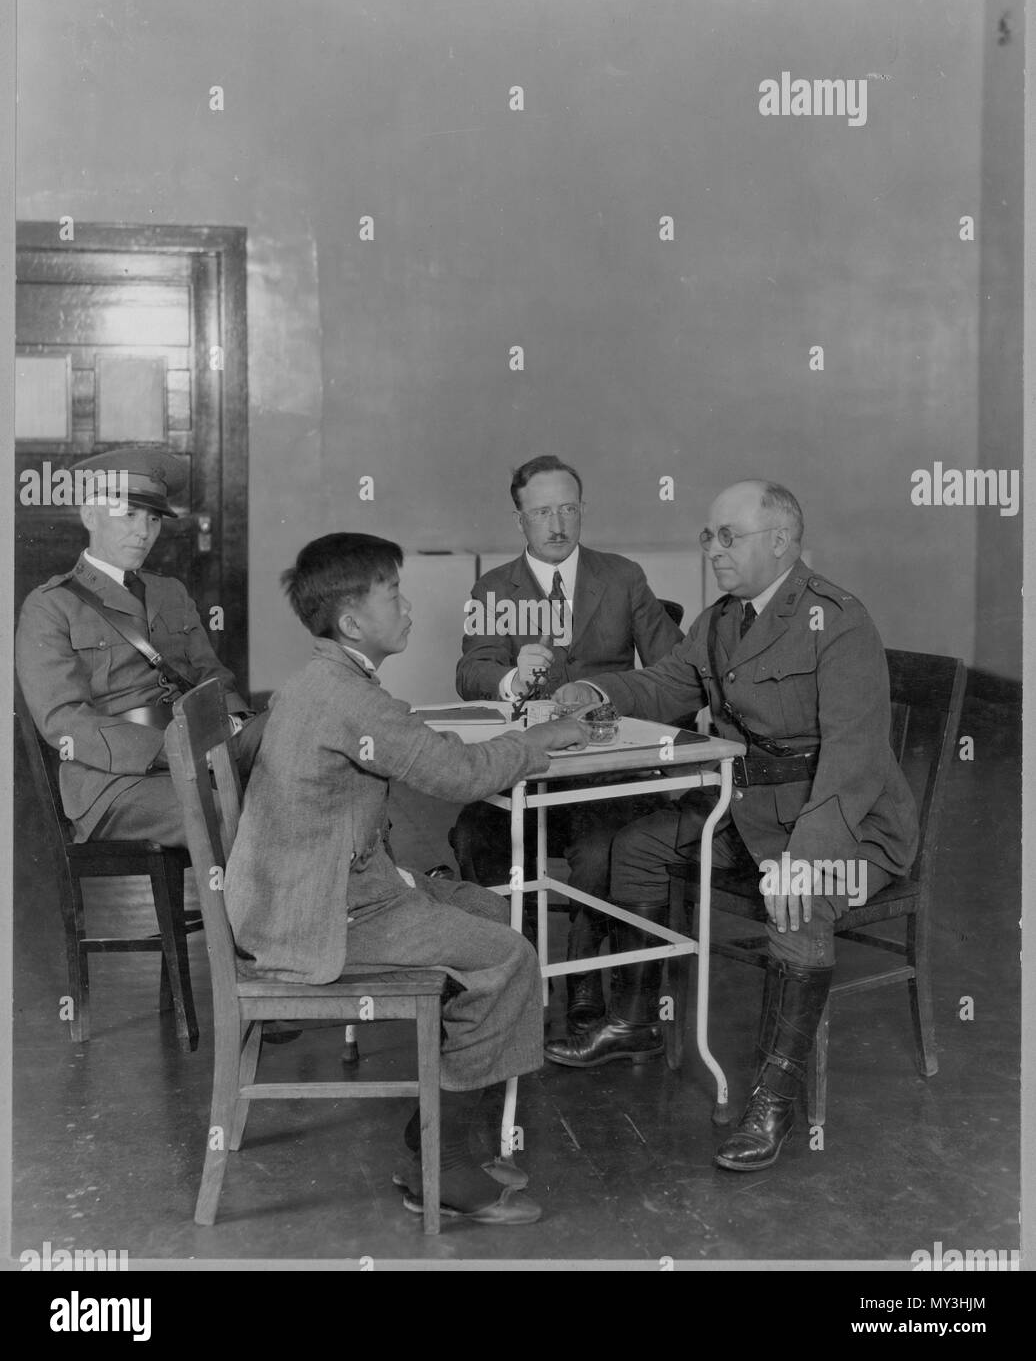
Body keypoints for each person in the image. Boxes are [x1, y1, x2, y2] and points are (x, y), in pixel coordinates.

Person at [545, 480, 919, 1173]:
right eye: (708, 536)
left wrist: (804, 859)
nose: (714, 549)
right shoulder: (721, 621)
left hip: (850, 824)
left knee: (799, 899)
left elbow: (853, 767)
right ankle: (633, 1022)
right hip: (752, 816)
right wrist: (597, 691)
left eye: (730, 536)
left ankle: (773, 1102)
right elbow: (664, 686)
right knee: (636, 848)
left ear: (780, 541)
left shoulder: (838, 621)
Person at [222, 533, 590, 1225]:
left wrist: (509, 746)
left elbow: (422, 750)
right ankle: (438, 1166)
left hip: (318, 890)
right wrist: (538, 742)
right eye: (393, 591)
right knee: (509, 956)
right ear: (353, 621)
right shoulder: (347, 696)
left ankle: (433, 1140)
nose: (409, 603)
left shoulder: (328, 681)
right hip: (320, 916)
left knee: (486, 908)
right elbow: (453, 774)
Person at [452, 454, 683, 1033]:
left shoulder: (623, 576)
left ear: (583, 511)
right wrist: (509, 678)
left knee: (600, 837)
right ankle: (516, 968)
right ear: (520, 521)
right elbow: (471, 671)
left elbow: (678, 671)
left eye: (569, 509)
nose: (558, 524)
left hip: (607, 776)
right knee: (476, 833)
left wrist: (611, 696)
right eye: (543, 512)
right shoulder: (494, 587)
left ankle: (583, 974)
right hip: (527, 773)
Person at [16, 448, 264, 848]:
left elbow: (211, 675)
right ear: (90, 516)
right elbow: (64, 721)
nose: (143, 531)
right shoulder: (50, 605)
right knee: (223, 812)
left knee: (300, 741)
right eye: (127, 515)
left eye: (152, 518)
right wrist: (170, 748)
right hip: (116, 781)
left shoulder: (170, 591)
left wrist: (235, 725)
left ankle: (362, 897)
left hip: (201, 747)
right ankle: (242, 913)